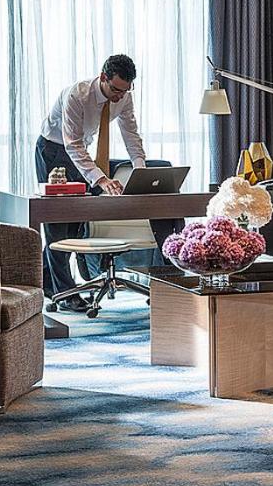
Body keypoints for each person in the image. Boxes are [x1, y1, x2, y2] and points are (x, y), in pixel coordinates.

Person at [35, 54, 177, 306]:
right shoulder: (77, 96)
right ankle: (66, 294)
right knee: (58, 225)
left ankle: (50, 284)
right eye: (115, 90)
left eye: (125, 90)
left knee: (75, 225)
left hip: (81, 153)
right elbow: (72, 144)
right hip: (54, 151)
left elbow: (131, 136)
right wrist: (101, 180)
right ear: (103, 77)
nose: (119, 96)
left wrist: (141, 172)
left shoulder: (124, 97)